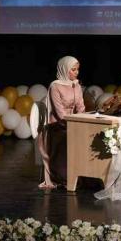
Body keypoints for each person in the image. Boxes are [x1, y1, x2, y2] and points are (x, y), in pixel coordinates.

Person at [36, 56, 85, 189]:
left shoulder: (76, 85)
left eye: (77, 69)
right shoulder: (55, 86)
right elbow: (60, 113)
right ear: (64, 69)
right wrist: (73, 124)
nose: (76, 72)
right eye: (73, 70)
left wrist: (82, 120)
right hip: (57, 125)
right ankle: (63, 176)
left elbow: (81, 107)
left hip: (73, 122)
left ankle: (84, 173)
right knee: (67, 136)